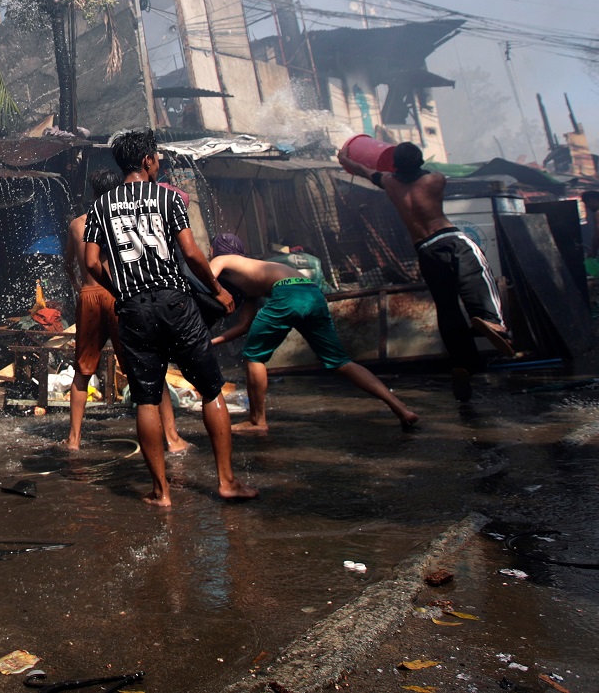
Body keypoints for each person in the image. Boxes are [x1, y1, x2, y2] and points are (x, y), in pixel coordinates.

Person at [85, 128, 257, 507]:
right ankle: (227, 482)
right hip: (175, 302)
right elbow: (193, 253)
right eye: (157, 156)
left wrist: (118, 291)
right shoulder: (166, 197)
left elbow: (91, 262)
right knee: (210, 388)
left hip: (133, 308)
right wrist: (217, 290)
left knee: (146, 398)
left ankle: (161, 492)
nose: (159, 161)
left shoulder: (100, 207)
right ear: (147, 160)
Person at [337, 140, 515, 401]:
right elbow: (419, 170)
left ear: (394, 164)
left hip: (425, 250)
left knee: (447, 307)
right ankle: (490, 320)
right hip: (450, 239)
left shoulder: (389, 182)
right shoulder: (436, 179)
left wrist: (344, 158)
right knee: (477, 276)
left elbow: (361, 169)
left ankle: (462, 362)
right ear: (420, 162)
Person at [207, 235, 419, 433]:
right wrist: (211, 342)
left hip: (286, 292)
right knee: (340, 362)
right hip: (311, 292)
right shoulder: (249, 274)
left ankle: (257, 421)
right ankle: (400, 407)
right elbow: (244, 326)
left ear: (214, 249)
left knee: (254, 356)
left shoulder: (223, 258)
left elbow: (205, 277)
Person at [63, 170, 189, 453]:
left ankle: (73, 440)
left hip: (88, 296)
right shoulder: (117, 219)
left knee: (83, 371)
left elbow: (68, 263)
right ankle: (172, 437)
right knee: (149, 366)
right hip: (120, 294)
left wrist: (81, 287)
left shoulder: (76, 224)